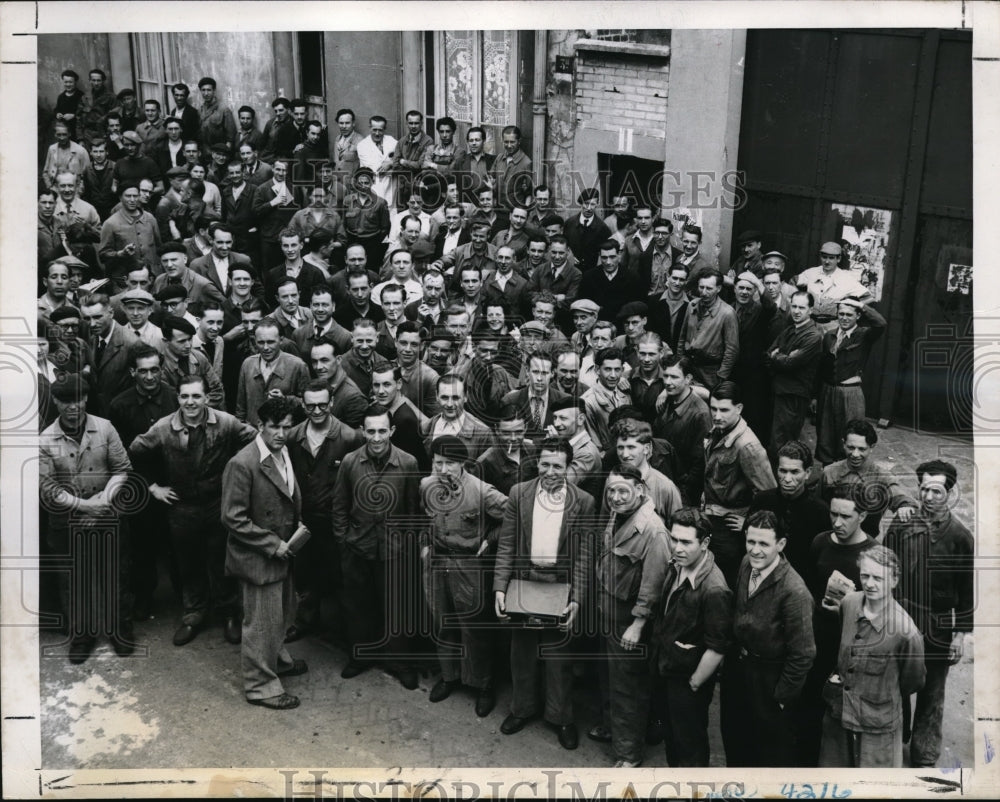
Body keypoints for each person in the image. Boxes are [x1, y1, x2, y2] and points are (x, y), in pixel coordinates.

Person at [129, 373, 256, 647]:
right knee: (188, 563)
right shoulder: (163, 427)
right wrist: (153, 487)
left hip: (217, 503)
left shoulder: (226, 422)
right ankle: (193, 614)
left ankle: (228, 614)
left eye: (196, 396)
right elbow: (133, 452)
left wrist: (237, 476)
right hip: (182, 506)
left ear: (207, 398)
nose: (190, 402)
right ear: (178, 398)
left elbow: (255, 441)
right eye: (185, 396)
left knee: (222, 561)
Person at [494, 438, 596, 748]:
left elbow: (584, 554)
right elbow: (507, 543)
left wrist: (576, 598)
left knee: (558, 658)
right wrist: (500, 588)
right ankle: (521, 709)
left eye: (558, 466)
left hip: (559, 586)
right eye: (545, 464)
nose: (550, 472)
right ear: (536, 462)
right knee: (522, 653)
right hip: (524, 582)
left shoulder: (584, 501)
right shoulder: (519, 493)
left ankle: (561, 717)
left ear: (568, 467)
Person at [39, 373, 134, 663]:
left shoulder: (105, 428)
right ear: (56, 401)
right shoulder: (45, 440)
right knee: (73, 580)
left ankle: (120, 630)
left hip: (107, 512)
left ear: (86, 399)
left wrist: (102, 503)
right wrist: (84, 506)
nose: (73, 406)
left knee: (115, 575)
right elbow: (48, 488)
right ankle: (82, 636)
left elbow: (122, 469)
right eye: (65, 400)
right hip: (66, 522)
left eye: (78, 399)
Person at [221, 396, 309, 710]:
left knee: (281, 614)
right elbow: (232, 518)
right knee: (260, 624)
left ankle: (277, 661)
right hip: (259, 557)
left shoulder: (282, 451)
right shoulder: (242, 463)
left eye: (287, 427)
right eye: (275, 427)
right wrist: (272, 544)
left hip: (283, 551)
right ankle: (261, 686)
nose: (282, 433)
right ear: (260, 426)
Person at [885, 459, 974, 768]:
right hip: (900, 617)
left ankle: (924, 754)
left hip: (938, 625)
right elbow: (884, 567)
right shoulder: (901, 524)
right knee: (894, 683)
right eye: (924, 489)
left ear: (949, 492)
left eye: (937, 491)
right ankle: (892, 742)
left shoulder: (960, 537)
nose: (928, 497)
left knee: (932, 691)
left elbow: (966, 591)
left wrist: (959, 636)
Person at [331, 403, 422, 687]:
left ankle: (401, 663)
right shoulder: (350, 462)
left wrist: (407, 546)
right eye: (371, 432)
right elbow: (339, 506)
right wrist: (344, 541)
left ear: (392, 430)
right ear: (362, 431)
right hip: (358, 548)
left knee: (397, 609)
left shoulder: (408, 463)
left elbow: (413, 511)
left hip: (395, 551)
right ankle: (361, 657)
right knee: (358, 606)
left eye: (382, 431)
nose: (377, 438)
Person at [720, 510, 816, 767]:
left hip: (769, 680)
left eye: (764, 543)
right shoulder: (746, 564)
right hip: (739, 671)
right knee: (735, 741)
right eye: (750, 541)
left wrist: (781, 698)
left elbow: (803, 654)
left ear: (781, 544)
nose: (755, 550)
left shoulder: (794, 592)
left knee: (768, 754)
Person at [421, 435, 508, 717]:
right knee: (441, 622)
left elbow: (514, 516)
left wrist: (490, 539)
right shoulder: (427, 485)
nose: (443, 469)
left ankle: (482, 684)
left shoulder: (482, 491)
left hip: (468, 566)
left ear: (463, 463)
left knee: (474, 628)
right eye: (438, 463)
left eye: (450, 463)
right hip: (436, 564)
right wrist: (425, 545)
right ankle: (449, 677)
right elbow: (424, 518)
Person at [590, 464, 671, 767]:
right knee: (608, 677)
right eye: (611, 490)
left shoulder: (653, 531)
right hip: (608, 610)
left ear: (639, 490)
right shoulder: (618, 514)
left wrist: (638, 624)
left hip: (629, 620)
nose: (615, 497)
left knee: (628, 687)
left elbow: (654, 585)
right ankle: (612, 728)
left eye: (622, 491)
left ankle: (628, 755)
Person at [819, 546, 926, 767]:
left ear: (894, 581)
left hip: (877, 727)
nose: (869, 583)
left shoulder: (905, 631)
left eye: (878, 578)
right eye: (865, 575)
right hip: (839, 713)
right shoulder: (849, 603)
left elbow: (913, 681)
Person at [650, 507, 732, 767]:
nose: (677, 548)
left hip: (687, 682)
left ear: (704, 543)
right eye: (674, 539)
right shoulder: (677, 565)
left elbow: (717, 647)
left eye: (686, 542)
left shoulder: (715, 589)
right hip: (667, 670)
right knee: (672, 738)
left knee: (690, 747)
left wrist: (695, 683)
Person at [702, 381, 777, 589]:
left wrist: (747, 521)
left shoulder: (747, 446)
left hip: (729, 529)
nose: (717, 415)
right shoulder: (719, 430)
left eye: (724, 410)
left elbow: (769, 494)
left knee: (724, 584)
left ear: (739, 408)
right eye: (713, 408)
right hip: (711, 517)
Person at [814, 297, 887, 465]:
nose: (844, 318)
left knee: (851, 433)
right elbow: (821, 368)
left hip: (850, 392)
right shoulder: (829, 336)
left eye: (849, 314)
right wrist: (815, 396)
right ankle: (828, 470)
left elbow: (881, 324)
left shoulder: (864, 335)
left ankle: (847, 470)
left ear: (858, 316)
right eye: (841, 314)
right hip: (827, 390)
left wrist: (860, 305)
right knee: (825, 433)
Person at [820, 418, 917, 537]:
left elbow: (900, 497)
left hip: (866, 539)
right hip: (832, 535)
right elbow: (818, 506)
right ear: (843, 444)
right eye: (851, 447)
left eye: (862, 449)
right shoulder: (829, 472)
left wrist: (905, 506)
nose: (855, 454)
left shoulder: (881, 477)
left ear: (872, 447)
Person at [749, 441, 831, 577]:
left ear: (807, 473)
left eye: (794, 472)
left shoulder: (821, 512)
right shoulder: (762, 500)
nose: (787, 479)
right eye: (783, 471)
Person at [765, 288, 824, 456]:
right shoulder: (790, 329)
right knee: (775, 438)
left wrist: (777, 356)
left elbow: (790, 363)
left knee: (784, 440)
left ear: (810, 310)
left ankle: (785, 472)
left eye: (802, 308)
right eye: (794, 306)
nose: (796, 311)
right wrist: (780, 357)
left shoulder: (813, 336)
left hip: (794, 394)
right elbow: (768, 354)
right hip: (779, 389)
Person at [653, 355, 712, 506]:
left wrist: (685, 493)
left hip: (683, 489)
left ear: (688, 378)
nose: (668, 382)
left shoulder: (700, 413)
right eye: (665, 376)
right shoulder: (667, 400)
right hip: (662, 479)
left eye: (674, 377)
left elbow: (700, 461)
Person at [235, 318, 310, 426]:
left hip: (283, 432)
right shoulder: (247, 364)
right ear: (255, 341)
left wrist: (285, 399)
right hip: (252, 432)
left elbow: (308, 404)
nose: (266, 348)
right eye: (261, 342)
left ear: (281, 340)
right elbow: (240, 409)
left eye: (271, 342)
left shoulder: (298, 366)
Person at [679, 269, 739, 391]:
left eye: (709, 288)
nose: (704, 292)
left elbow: (732, 350)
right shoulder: (692, 305)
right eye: (701, 287)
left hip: (711, 375)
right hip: (689, 369)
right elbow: (682, 338)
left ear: (718, 289)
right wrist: (679, 365)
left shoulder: (727, 313)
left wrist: (721, 377)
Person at [795, 242, 873, 330]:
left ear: (838, 259)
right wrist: (798, 302)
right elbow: (793, 281)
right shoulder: (811, 273)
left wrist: (848, 308)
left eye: (831, 258)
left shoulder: (846, 278)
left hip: (833, 326)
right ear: (821, 257)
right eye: (824, 257)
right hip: (810, 323)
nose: (827, 261)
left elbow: (868, 297)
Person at [98, 182, 163, 287]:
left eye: (135, 196)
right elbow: (103, 255)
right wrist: (120, 254)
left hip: (151, 279)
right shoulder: (110, 223)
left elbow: (159, 248)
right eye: (128, 196)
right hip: (124, 281)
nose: (132, 200)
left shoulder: (150, 219)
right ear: (120, 198)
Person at [577, 240, 645, 323]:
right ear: (599, 256)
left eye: (612, 257)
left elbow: (637, 308)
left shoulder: (632, 278)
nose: (608, 262)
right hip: (596, 324)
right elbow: (582, 306)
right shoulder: (589, 277)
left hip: (623, 325)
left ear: (619, 255)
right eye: (604, 257)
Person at [581, 347, 631, 453]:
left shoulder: (625, 394)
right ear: (597, 370)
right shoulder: (587, 401)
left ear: (622, 370)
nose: (613, 375)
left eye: (617, 370)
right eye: (608, 369)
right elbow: (593, 443)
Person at [564, 189, 614, 272]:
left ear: (597, 204)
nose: (589, 208)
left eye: (592, 204)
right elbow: (563, 244)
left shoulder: (603, 229)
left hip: (592, 272)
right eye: (586, 203)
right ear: (581, 203)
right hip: (570, 270)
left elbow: (606, 252)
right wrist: (568, 256)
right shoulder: (569, 223)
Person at [357, 115, 398, 207]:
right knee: (374, 211)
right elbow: (376, 169)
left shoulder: (391, 141)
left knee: (392, 212)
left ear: (385, 129)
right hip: (374, 187)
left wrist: (390, 163)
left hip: (391, 188)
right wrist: (396, 167)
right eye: (374, 130)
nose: (377, 133)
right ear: (370, 128)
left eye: (380, 130)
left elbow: (403, 156)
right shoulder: (362, 145)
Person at [43, 122, 92, 189]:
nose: (62, 138)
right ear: (55, 135)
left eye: (64, 134)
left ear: (69, 134)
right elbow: (45, 172)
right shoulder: (52, 149)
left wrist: (80, 190)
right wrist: (50, 187)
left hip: (75, 189)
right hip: (56, 188)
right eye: (59, 135)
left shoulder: (80, 151)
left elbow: (88, 174)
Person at [54, 69, 85, 140]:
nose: (68, 84)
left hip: (78, 130)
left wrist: (74, 116)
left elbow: (86, 113)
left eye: (70, 82)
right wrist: (57, 114)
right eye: (66, 82)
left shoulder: (81, 96)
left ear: (75, 82)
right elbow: (57, 109)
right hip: (64, 131)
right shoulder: (61, 97)